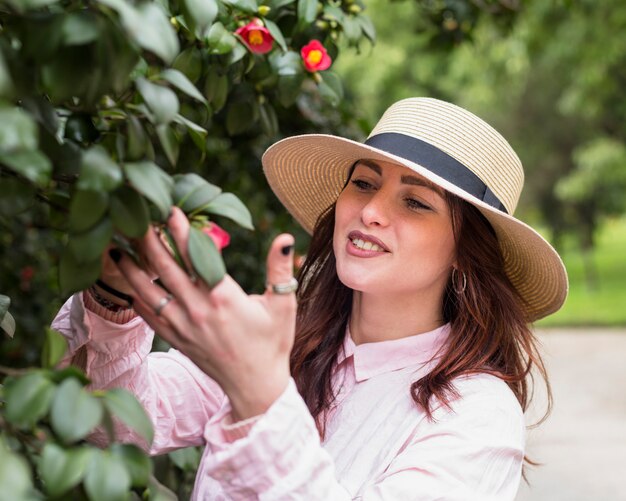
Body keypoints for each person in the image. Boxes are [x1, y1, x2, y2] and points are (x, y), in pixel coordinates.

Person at [52, 97, 568, 500]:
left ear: (464, 253)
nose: (370, 211)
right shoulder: (285, 339)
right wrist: (114, 300)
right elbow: (116, 423)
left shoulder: (476, 414)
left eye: (415, 201)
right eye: (364, 183)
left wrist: (260, 396)